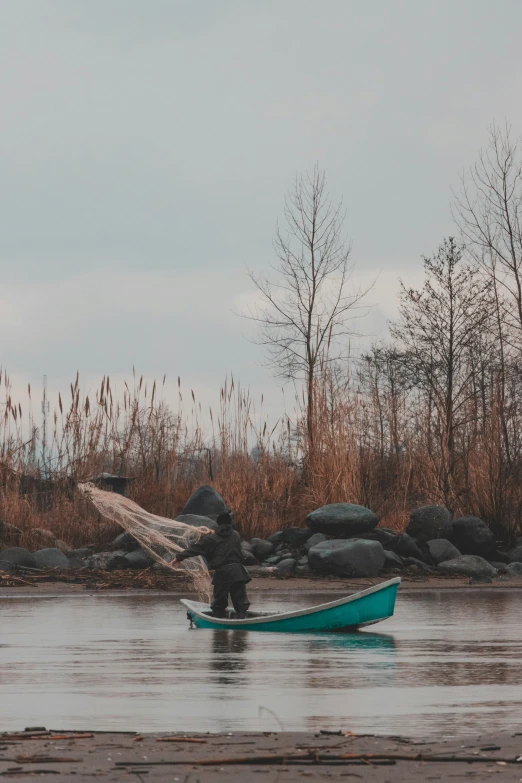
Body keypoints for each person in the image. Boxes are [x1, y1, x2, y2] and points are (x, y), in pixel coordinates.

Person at [175, 510, 251, 618]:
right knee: (241, 602)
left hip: (223, 573)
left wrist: (179, 557)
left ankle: (218, 629)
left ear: (218, 524)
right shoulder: (236, 535)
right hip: (238, 572)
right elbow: (225, 536)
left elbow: (196, 548)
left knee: (219, 604)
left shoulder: (212, 538)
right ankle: (242, 625)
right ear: (230, 523)